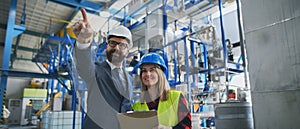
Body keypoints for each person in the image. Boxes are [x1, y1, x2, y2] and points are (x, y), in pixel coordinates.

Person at [72, 8, 133, 129]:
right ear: (107, 46)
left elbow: (125, 106)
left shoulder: (129, 78)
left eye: (122, 45)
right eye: (112, 43)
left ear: (127, 52)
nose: (116, 47)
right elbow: (84, 65)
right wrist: (84, 40)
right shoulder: (96, 71)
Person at [132, 53, 192, 129]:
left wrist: (167, 128)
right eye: (144, 70)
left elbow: (187, 126)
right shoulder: (137, 106)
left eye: (152, 70)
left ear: (160, 74)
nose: (148, 74)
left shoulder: (176, 97)